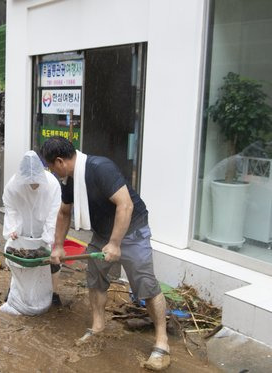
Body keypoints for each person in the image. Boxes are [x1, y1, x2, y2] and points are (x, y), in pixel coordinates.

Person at [41, 136, 170, 371]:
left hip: (132, 230)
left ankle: (162, 343)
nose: (52, 171)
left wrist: (115, 243)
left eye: (50, 166)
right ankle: (98, 326)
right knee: (96, 277)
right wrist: (57, 246)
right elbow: (64, 212)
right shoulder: (70, 180)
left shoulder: (100, 168)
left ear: (59, 161)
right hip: (103, 232)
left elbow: (126, 205)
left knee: (145, 285)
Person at [1, 150, 62, 315]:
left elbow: (54, 214)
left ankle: (53, 292)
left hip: (44, 228)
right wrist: (12, 229)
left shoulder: (52, 185)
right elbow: (10, 208)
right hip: (23, 230)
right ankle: (15, 292)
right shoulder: (13, 186)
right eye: (29, 182)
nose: (33, 185)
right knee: (19, 261)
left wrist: (48, 238)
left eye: (36, 182)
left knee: (51, 261)